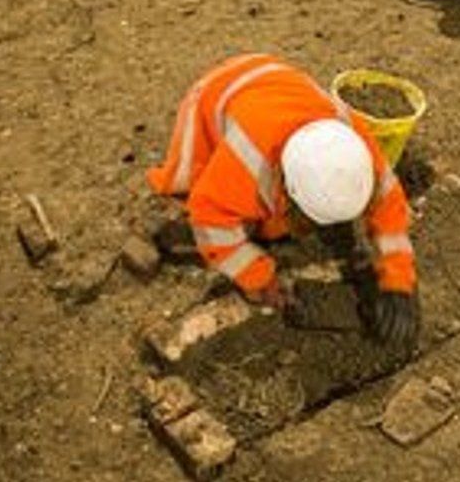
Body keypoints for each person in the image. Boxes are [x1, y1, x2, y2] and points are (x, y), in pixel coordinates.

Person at [146, 53, 418, 345]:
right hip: (216, 93)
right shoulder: (249, 159)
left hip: (279, 82)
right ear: (286, 188)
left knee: (268, 220)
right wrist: (257, 276)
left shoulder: (355, 151)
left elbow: (390, 207)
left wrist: (398, 282)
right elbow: (210, 217)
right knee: (201, 189)